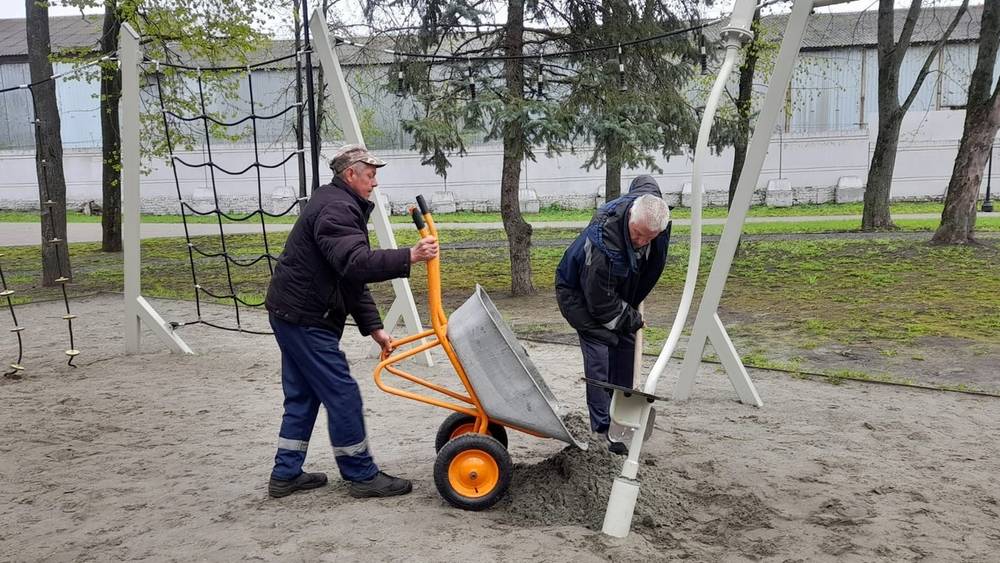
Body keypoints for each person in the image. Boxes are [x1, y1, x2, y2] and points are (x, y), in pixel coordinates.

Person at [264, 144, 439, 498]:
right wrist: (410, 255)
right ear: (351, 175)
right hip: (305, 316)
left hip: (293, 311)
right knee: (342, 393)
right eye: (371, 175)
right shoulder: (336, 209)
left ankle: (286, 473)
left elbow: (347, 275)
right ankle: (360, 474)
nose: (375, 182)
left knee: (303, 395)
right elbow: (356, 264)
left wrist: (374, 328)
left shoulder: (340, 204)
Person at [555, 175, 671, 455]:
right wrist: (633, 319)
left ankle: (621, 415)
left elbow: (646, 183)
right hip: (581, 297)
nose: (641, 241)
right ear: (630, 215)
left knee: (627, 351)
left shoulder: (653, 214)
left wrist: (631, 309)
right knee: (601, 354)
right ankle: (602, 428)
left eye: (649, 237)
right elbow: (600, 305)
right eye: (637, 233)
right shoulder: (604, 246)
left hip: (619, 294)